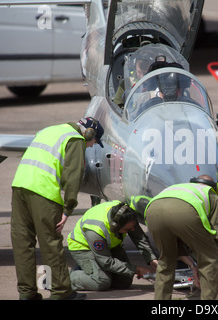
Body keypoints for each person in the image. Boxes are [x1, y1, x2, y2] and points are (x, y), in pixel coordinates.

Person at [11, 117, 104, 300]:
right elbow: (73, 176)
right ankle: (61, 292)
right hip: (43, 191)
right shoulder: (75, 139)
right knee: (51, 243)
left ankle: (27, 293)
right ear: (88, 133)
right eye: (93, 141)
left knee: (23, 243)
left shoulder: (49, 130)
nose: (92, 146)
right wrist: (68, 208)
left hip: (19, 187)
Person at [145, 175, 218, 300]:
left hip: (152, 210)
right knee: (209, 260)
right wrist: (209, 257)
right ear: (213, 186)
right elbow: (216, 233)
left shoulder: (180, 187)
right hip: (184, 211)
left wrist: (193, 266)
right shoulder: (211, 194)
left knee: (166, 260)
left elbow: (177, 241)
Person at [67, 200, 159, 291]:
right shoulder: (95, 230)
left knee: (124, 281)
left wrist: (152, 260)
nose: (133, 229)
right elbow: (106, 262)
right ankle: (68, 277)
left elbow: (139, 238)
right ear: (115, 227)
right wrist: (137, 269)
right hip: (83, 248)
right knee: (101, 282)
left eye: (133, 226)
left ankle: (93, 270)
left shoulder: (126, 215)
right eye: (128, 229)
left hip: (108, 245)